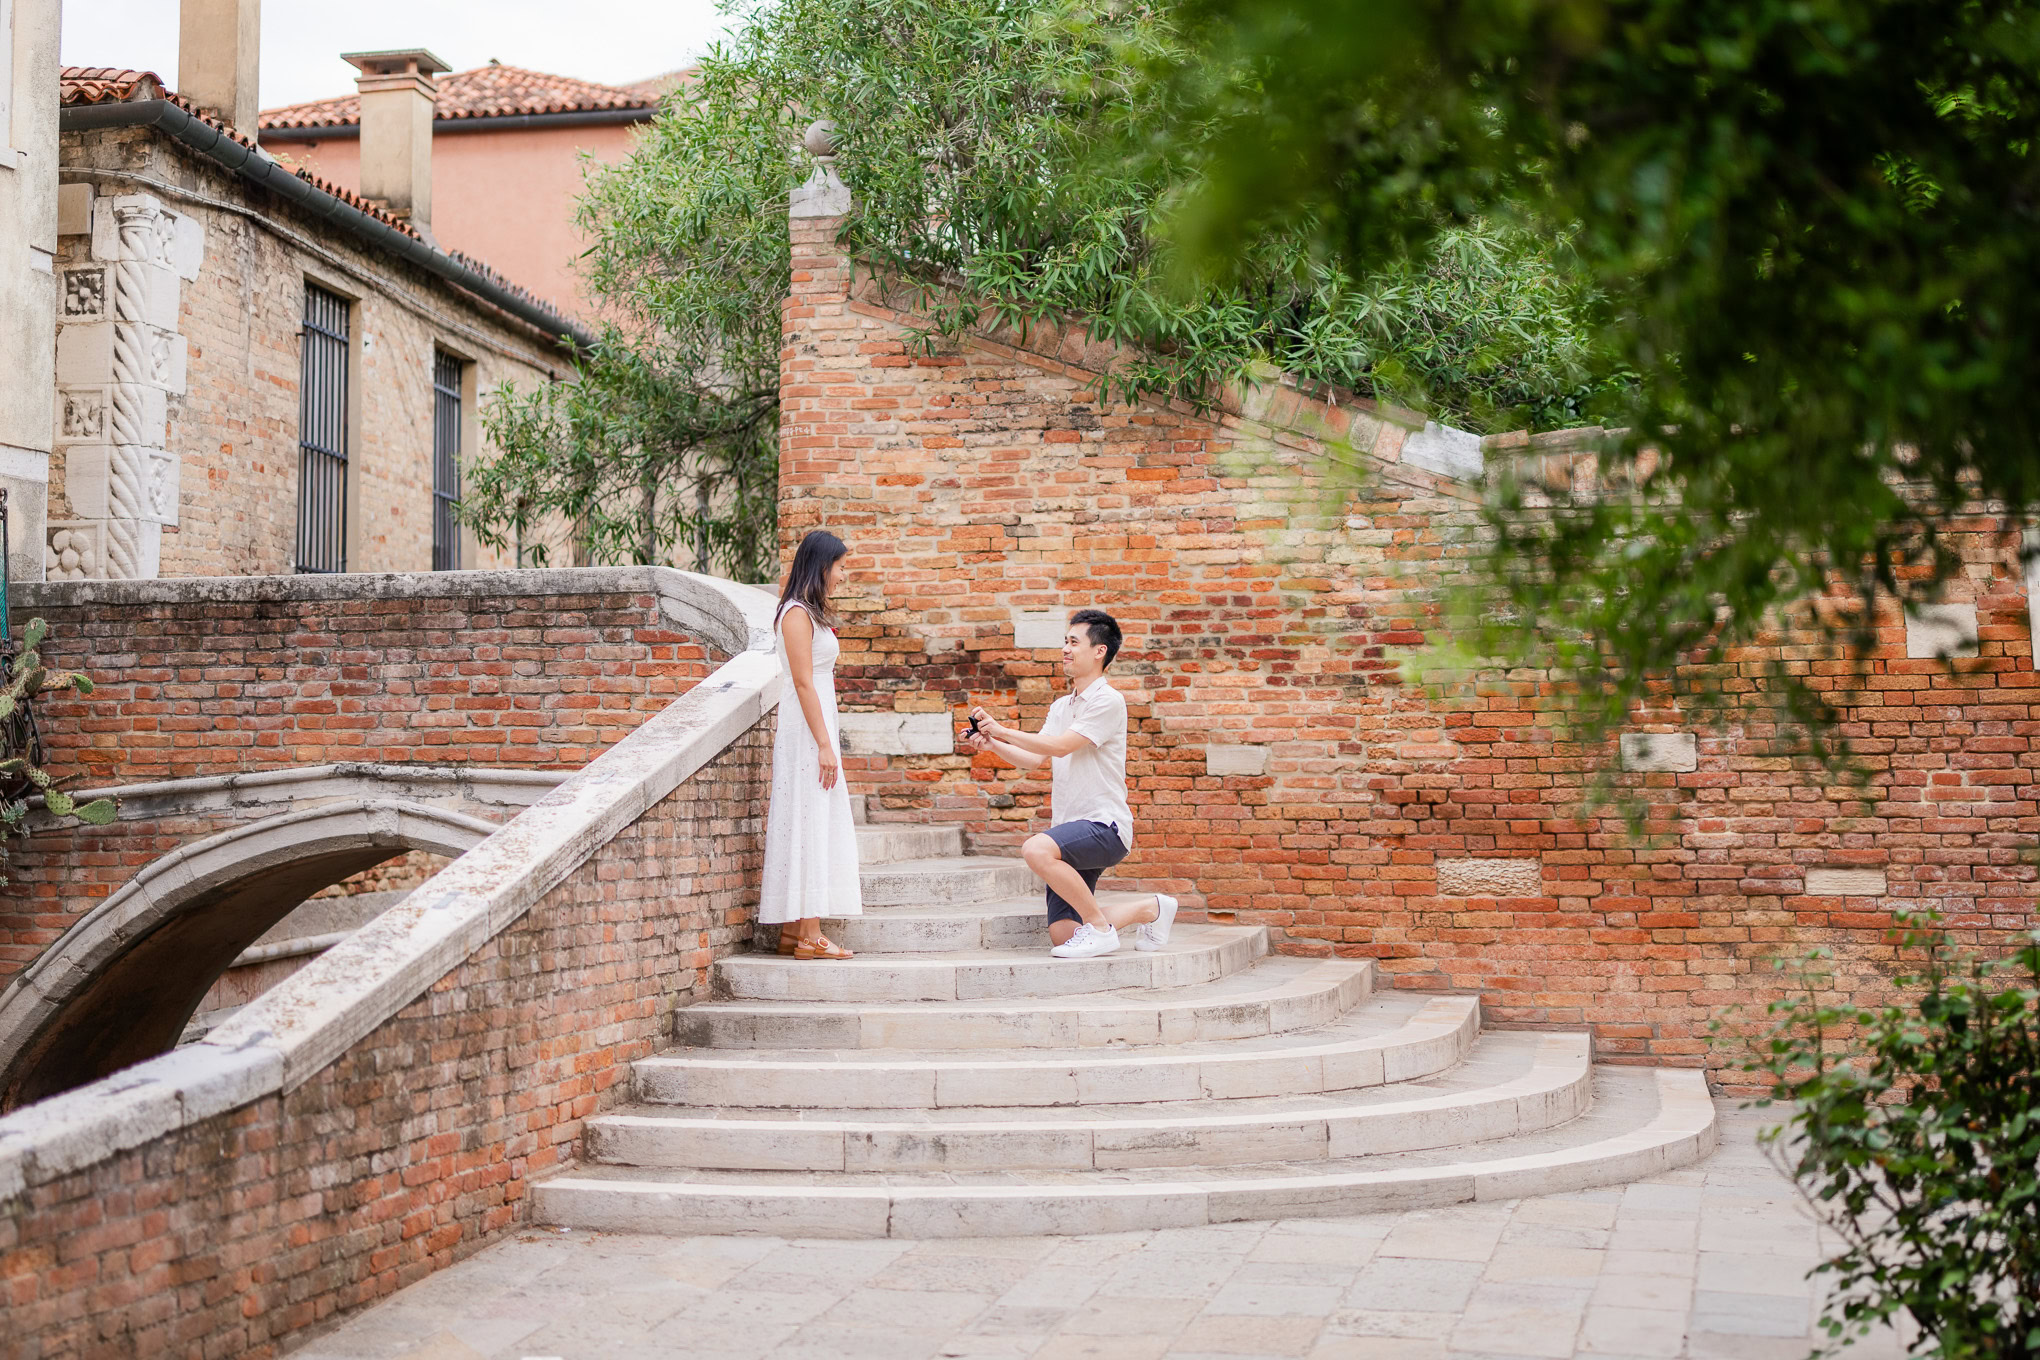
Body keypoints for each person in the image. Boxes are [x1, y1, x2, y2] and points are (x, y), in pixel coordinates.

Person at [964, 609, 1178, 959]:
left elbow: (1062, 746)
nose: (1065, 649)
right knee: (1064, 935)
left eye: (1074, 642)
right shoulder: (1063, 705)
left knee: (1035, 849)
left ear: (1099, 651)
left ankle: (1100, 929)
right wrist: (992, 743)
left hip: (1104, 825)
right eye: (1065, 641)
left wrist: (1002, 729)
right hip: (1070, 829)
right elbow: (1035, 758)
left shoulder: (1108, 700)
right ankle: (1152, 909)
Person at [757, 530, 862, 959]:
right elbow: (802, 682)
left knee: (810, 816)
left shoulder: (809, 613)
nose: (842, 576)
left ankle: (792, 930)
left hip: (815, 724)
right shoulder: (796, 614)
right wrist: (824, 744)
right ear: (821, 566)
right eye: (839, 567)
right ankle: (810, 935)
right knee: (810, 817)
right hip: (806, 731)